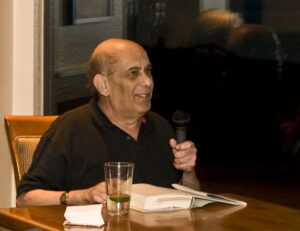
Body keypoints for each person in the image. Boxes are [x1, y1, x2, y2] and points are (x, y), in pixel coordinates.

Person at [16, 38, 200, 207]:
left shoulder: (161, 127)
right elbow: (25, 199)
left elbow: (190, 199)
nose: (147, 81)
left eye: (148, 71)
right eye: (133, 73)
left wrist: (188, 171)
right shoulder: (71, 128)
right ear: (103, 85)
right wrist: (82, 196)